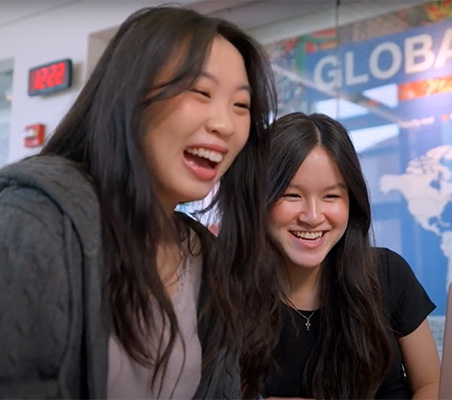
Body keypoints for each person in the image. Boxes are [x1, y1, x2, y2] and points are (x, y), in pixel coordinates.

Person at [0, 5, 276, 399]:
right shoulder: (37, 221)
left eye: (241, 106)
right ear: (130, 96)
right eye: (200, 91)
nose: (225, 124)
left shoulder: (205, 257)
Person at [241, 112, 440, 399]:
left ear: (352, 201)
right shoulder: (229, 295)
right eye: (291, 195)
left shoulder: (387, 272)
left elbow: (431, 384)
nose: (312, 217)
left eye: (331, 196)